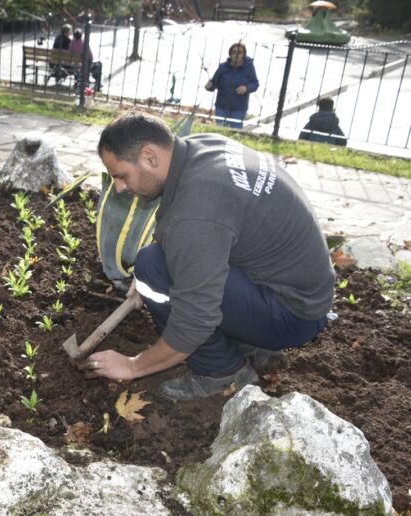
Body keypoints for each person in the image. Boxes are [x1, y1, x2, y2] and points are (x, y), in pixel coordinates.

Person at [84, 111, 334, 402]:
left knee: (153, 267)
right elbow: (190, 229)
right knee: (161, 263)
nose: (120, 187)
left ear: (150, 156)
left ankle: (222, 372)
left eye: (121, 175)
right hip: (299, 292)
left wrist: (132, 365)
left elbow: (194, 320)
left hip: (292, 314)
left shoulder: (197, 213)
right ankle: (251, 345)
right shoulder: (201, 148)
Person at [204, 42, 259, 129]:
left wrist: (246, 88)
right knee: (220, 130)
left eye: (239, 52)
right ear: (230, 54)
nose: (236, 54)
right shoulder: (222, 67)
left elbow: (255, 84)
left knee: (235, 132)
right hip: (221, 106)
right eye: (234, 52)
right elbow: (214, 83)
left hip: (239, 108)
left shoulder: (249, 67)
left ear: (243, 54)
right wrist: (209, 86)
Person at [69, 28, 103, 92]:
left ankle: (78, 82)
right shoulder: (84, 43)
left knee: (81, 66)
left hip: (76, 65)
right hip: (85, 66)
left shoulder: (72, 43)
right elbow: (90, 56)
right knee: (99, 65)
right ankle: (98, 84)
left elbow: (70, 52)